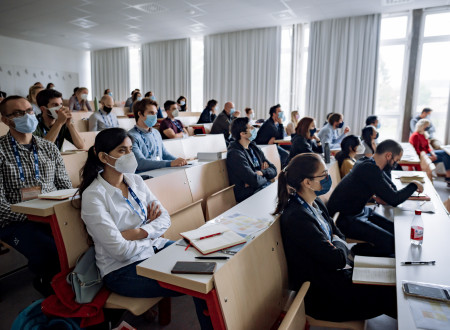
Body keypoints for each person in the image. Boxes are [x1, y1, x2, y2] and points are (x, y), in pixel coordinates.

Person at [78, 128, 212, 329]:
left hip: (155, 247)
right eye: (122, 150)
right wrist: (149, 231)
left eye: (131, 149)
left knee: (205, 266)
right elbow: (120, 251)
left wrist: (138, 233)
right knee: (196, 283)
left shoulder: (136, 180)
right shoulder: (93, 196)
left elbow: (165, 219)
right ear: (103, 157)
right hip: (121, 270)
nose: (129, 155)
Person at [274, 153, 397, 322]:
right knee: (392, 294)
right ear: (307, 182)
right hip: (325, 296)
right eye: (323, 175)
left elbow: (337, 232)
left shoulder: (315, 203)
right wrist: (338, 243)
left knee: (393, 277)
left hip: (337, 276)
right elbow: (337, 259)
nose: (328, 178)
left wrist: (336, 241)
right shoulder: (297, 217)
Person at [0, 96, 72, 296]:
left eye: (29, 111)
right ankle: (50, 290)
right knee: (50, 250)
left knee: (82, 240)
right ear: (5, 120)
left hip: (52, 215)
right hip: (15, 221)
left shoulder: (49, 148)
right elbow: (0, 206)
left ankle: (77, 290)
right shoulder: (1, 151)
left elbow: (65, 187)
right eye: (17, 113)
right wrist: (34, 215)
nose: (26, 116)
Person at [327, 140, 424, 257]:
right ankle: (355, 252)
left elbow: (391, 189)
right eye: (396, 160)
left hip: (359, 211)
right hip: (345, 219)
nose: (395, 164)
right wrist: (414, 184)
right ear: (388, 155)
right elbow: (394, 199)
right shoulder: (369, 169)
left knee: (396, 232)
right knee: (391, 243)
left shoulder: (368, 162)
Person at [128, 99, 187, 172]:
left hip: (160, 172)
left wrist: (179, 161)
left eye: (155, 113)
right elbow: (140, 163)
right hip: (144, 176)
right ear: (140, 114)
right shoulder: (131, 136)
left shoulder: (156, 132)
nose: (154, 116)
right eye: (151, 113)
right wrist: (170, 163)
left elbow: (164, 154)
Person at [227, 118, 277, 202]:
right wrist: (268, 178)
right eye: (251, 128)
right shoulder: (235, 153)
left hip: (260, 188)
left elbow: (274, 170)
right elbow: (254, 181)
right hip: (248, 194)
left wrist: (262, 172)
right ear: (243, 134)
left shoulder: (253, 147)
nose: (254, 129)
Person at [410, 119, 450, 186]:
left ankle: (448, 177)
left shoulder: (424, 134)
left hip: (427, 154)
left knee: (445, 154)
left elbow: (428, 147)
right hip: (422, 156)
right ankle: (448, 178)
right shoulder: (415, 135)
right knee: (445, 155)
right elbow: (416, 150)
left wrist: (433, 154)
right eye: (427, 126)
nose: (428, 127)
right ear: (422, 126)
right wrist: (427, 157)